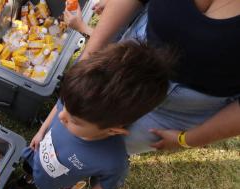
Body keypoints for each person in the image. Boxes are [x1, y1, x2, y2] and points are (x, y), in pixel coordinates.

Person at [19, 41, 172, 189]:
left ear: (113, 130)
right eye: (66, 106)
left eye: (75, 121)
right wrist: (41, 131)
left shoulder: (112, 160)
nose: (62, 117)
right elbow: (58, 108)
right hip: (36, 155)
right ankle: (25, 179)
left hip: (56, 183)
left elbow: (108, 185)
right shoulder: (76, 103)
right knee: (29, 168)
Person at [80, 0, 240, 154]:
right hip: (130, 60)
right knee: (81, 121)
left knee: (110, 150)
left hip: (183, 109)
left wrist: (186, 139)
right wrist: (85, 62)